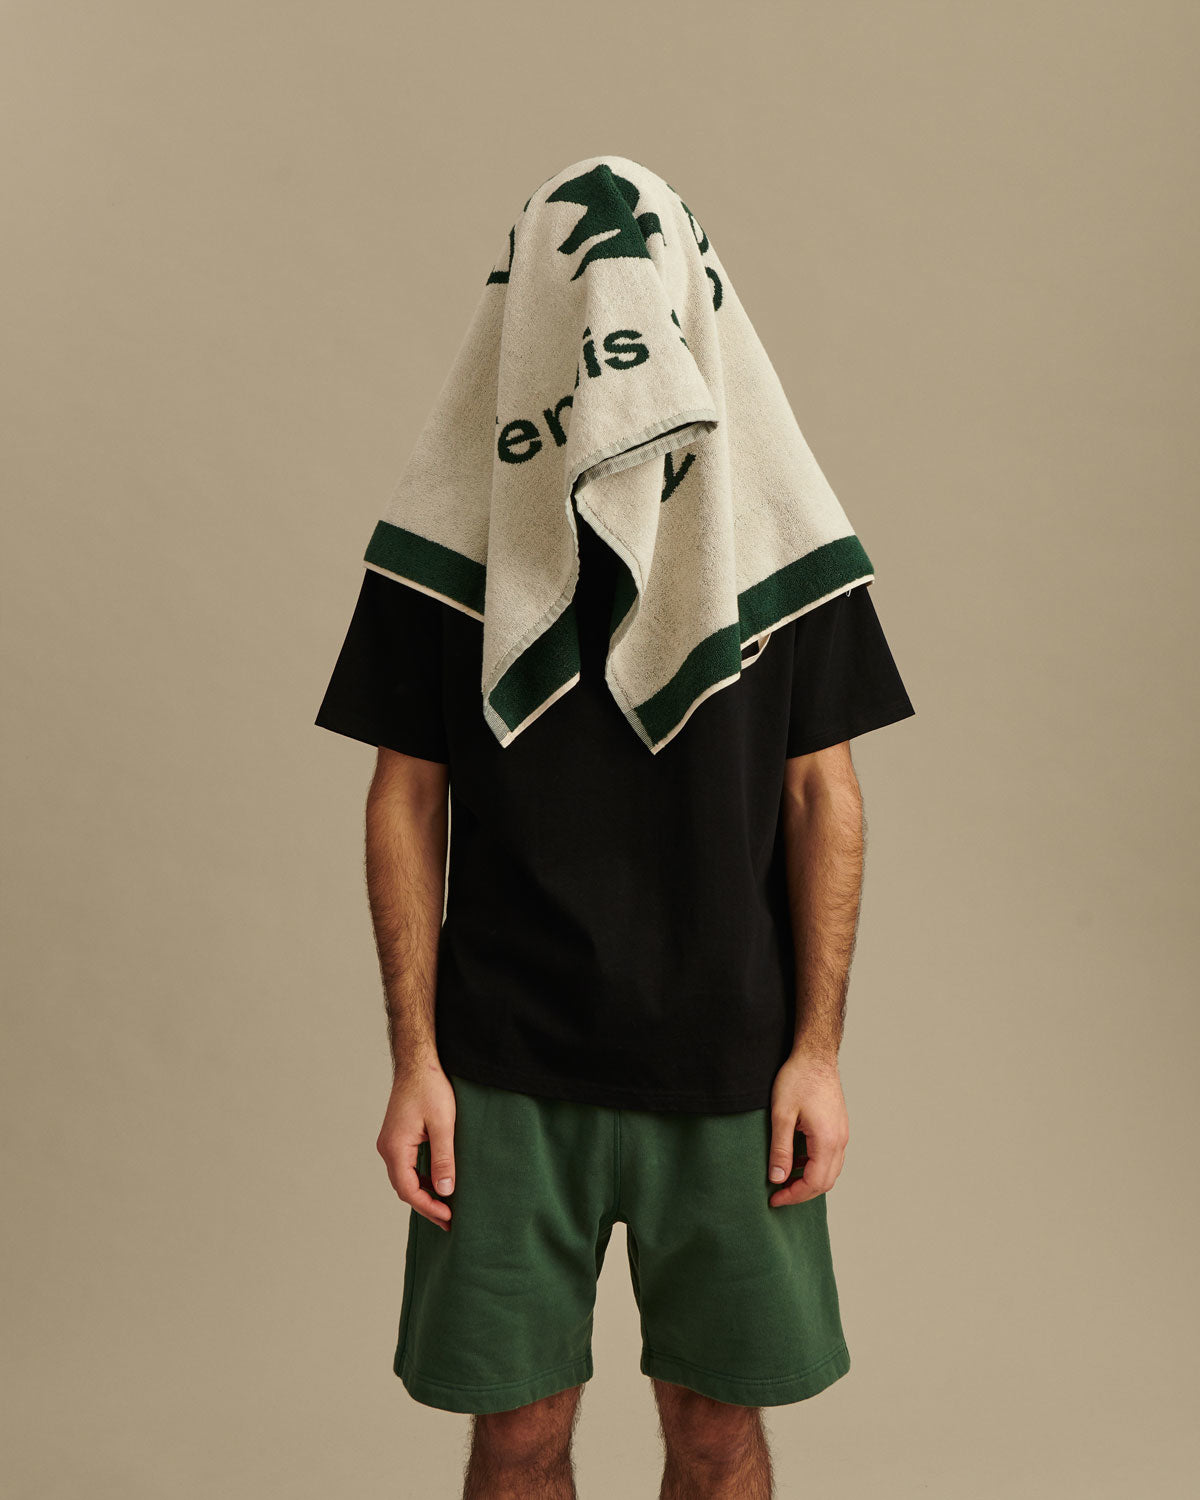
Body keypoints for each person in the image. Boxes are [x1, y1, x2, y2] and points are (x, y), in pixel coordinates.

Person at [315, 511, 915, 1497]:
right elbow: (406, 796)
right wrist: (415, 1061)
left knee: (717, 1431)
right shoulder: (451, 525)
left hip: (735, 1065)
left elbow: (822, 791)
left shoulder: (777, 523)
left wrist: (817, 1054)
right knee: (516, 1433)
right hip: (500, 1062)